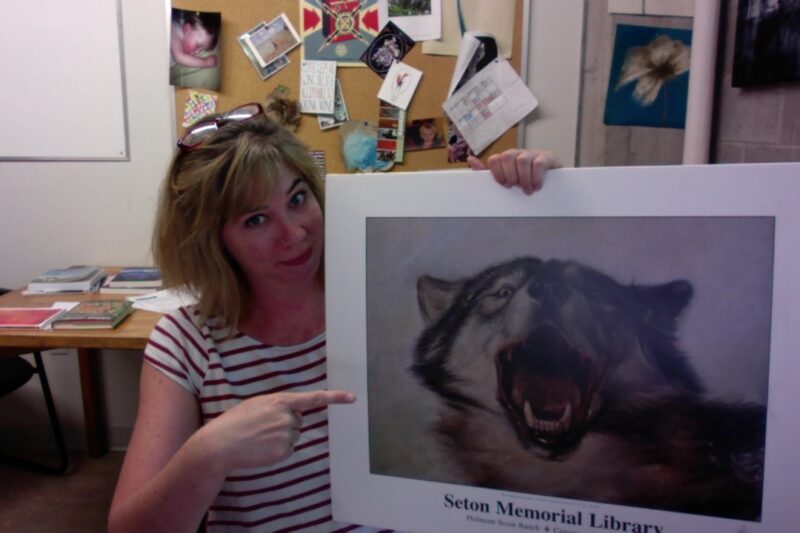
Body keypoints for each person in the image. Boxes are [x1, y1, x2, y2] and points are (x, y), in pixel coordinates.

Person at [108, 103, 559, 532]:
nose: (295, 233)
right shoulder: (187, 344)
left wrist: (532, 193)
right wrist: (209, 454)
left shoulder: (375, 292)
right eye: (256, 221)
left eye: (298, 198)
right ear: (213, 241)